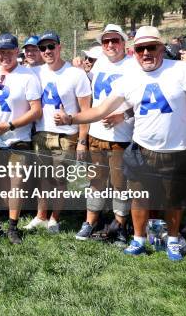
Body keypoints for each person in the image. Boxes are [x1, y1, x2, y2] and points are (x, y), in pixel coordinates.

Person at [55, 26, 186, 261]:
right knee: (139, 197)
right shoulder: (129, 78)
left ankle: (172, 239)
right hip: (142, 148)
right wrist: (72, 118)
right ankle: (138, 239)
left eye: (152, 47)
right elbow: (101, 110)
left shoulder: (181, 70)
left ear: (161, 48)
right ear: (135, 51)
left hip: (178, 149)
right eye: (141, 49)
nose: (147, 53)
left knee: (173, 199)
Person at [0, 34, 42, 244]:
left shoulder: (28, 76)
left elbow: (36, 110)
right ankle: (7, 215)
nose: (6, 56)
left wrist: (11, 125)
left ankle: (13, 227)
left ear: (16, 52)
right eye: (2, 52)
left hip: (17, 138)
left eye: (10, 51)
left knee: (16, 183)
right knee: (3, 182)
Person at [24, 31, 91, 233]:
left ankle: (55, 218)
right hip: (41, 132)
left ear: (60, 47)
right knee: (43, 177)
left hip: (65, 135)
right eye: (43, 48)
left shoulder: (76, 74)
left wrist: (82, 140)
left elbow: (85, 111)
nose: (47, 51)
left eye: (51, 46)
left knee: (59, 179)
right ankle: (40, 215)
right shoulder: (35, 73)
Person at [74, 24, 135, 245]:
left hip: (121, 136)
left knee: (120, 184)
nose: (110, 45)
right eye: (106, 41)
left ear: (123, 43)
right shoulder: (98, 65)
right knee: (95, 180)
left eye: (115, 40)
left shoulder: (133, 66)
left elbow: (143, 101)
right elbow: (91, 101)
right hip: (97, 134)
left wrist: (124, 116)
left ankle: (120, 226)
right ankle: (91, 222)